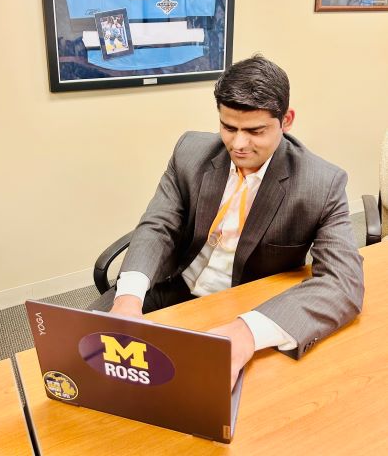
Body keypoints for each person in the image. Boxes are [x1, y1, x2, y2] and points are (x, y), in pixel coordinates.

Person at [91, 55, 364, 386]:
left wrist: (247, 331)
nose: (238, 144)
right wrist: (129, 298)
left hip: (243, 304)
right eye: (228, 127)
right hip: (173, 285)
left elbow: (344, 283)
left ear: (286, 120)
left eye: (255, 131)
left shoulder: (321, 184)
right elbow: (158, 225)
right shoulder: (190, 152)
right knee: (85, 352)